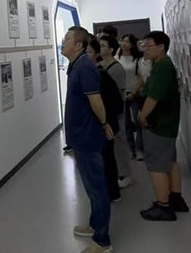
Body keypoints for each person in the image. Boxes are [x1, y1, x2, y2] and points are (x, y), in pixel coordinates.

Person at [62, 26, 115, 253]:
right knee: (91, 187)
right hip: (80, 136)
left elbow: (96, 101)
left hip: (88, 137)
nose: (62, 41)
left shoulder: (84, 67)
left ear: (78, 45)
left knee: (97, 188)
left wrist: (104, 123)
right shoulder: (76, 65)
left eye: (67, 39)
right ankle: (95, 225)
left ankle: (103, 241)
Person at [138, 31, 189, 221]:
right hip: (167, 124)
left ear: (161, 47)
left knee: (156, 166)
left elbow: (154, 96)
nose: (145, 49)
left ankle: (163, 206)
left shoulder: (162, 67)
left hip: (159, 124)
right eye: (143, 45)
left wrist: (142, 116)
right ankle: (175, 198)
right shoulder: (162, 64)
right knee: (170, 161)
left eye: (148, 45)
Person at [87, 38, 121, 203]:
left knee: (105, 159)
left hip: (103, 124)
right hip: (101, 124)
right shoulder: (91, 73)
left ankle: (110, 193)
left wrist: (104, 122)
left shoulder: (100, 75)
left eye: (89, 52)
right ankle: (110, 192)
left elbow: (109, 102)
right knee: (104, 159)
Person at [99, 35, 133, 191]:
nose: (100, 48)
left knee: (119, 141)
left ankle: (125, 174)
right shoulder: (100, 65)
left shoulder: (116, 68)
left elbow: (118, 95)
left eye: (103, 45)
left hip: (115, 111)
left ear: (111, 49)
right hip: (104, 111)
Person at [117, 34, 145, 162]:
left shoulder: (137, 58)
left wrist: (133, 92)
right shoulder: (117, 57)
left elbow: (140, 77)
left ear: (132, 44)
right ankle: (130, 149)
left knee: (138, 122)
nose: (124, 44)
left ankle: (140, 149)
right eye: (123, 41)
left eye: (127, 42)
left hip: (135, 93)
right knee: (126, 123)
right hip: (121, 94)